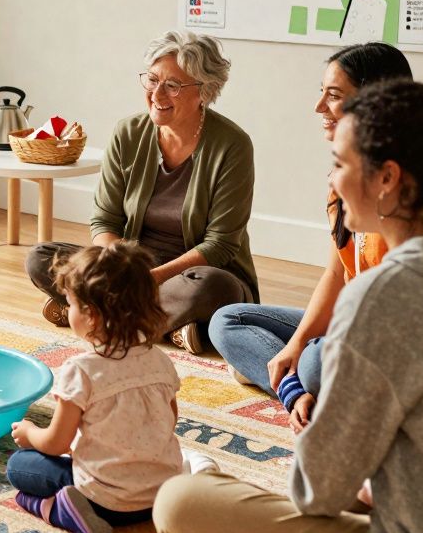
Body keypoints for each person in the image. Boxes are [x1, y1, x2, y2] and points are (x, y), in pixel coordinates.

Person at [155, 80, 423, 533]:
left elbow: (317, 491)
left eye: (340, 164)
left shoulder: (384, 295)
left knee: (180, 502)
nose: (331, 181)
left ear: (387, 179)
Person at [208, 43, 412, 431]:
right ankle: (298, 393)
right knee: (227, 321)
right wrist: (297, 343)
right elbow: (337, 274)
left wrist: (308, 351)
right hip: (345, 332)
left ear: (374, 103)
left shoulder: (406, 188)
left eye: (333, 96)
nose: (320, 107)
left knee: (316, 361)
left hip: (385, 346)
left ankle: (287, 377)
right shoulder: (344, 176)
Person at [26, 31, 256, 355]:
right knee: (41, 258)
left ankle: (94, 312)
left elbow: (220, 244)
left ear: (204, 92)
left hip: (189, 273)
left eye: (173, 85)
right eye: (151, 80)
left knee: (214, 288)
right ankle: (168, 326)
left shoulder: (232, 145)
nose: (157, 93)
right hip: (129, 263)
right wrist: (120, 267)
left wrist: (148, 279)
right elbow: (105, 219)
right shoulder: (128, 132)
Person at [7, 242, 216, 533]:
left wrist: (29, 433)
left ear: (90, 315)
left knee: (20, 466)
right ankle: (71, 505)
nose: (67, 311)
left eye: (71, 304)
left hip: (106, 500)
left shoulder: (81, 370)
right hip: (159, 497)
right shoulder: (160, 361)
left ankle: (58, 510)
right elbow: (168, 421)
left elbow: (56, 443)